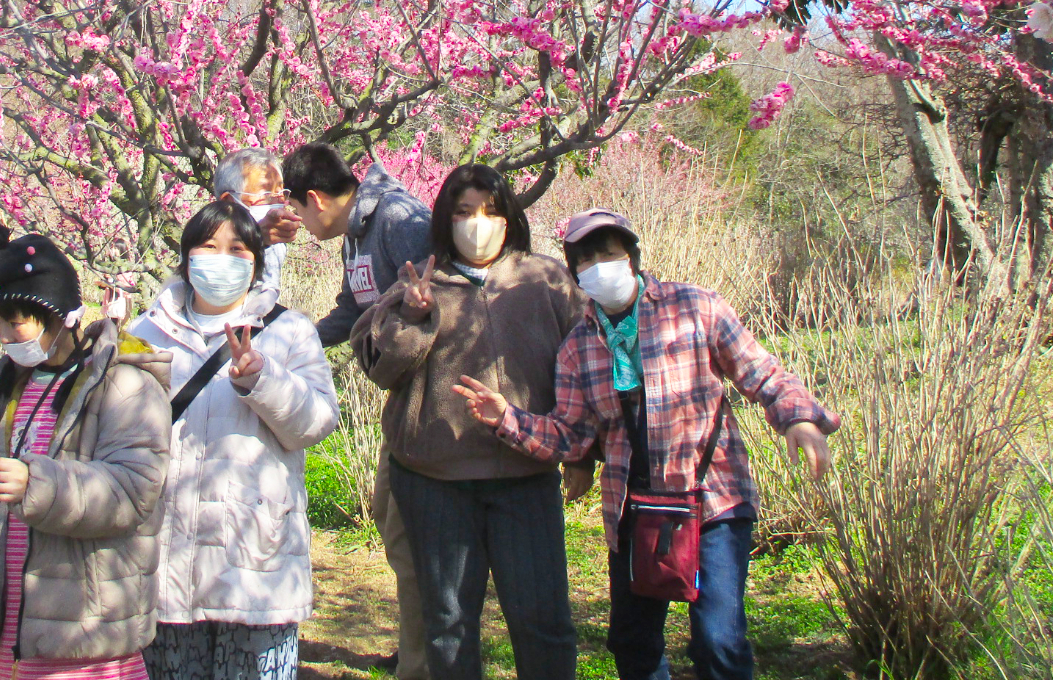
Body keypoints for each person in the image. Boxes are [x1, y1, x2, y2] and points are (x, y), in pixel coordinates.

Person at [456, 208, 840, 680]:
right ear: (575, 272)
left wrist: (798, 417)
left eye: (609, 253)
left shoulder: (696, 308)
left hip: (713, 499)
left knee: (719, 642)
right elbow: (571, 434)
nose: (600, 265)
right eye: (587, 258)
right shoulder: (578, 347)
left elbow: (759, 371)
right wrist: (507, 419)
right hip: (633, 510)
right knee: (633, 643)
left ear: (633, 257)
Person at [351, 165, 586, 680]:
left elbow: (587, 371)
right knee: (448, 623)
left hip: (526, 476)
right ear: (444, 218)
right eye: (463, 212)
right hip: (436, 483)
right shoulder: (419, 281)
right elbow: (379, 368)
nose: (477, 223)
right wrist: (413, 318)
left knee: (542, 619)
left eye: (490, 211)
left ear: (509, 218)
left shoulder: (546, 279)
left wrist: (583, 456)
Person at [0, 224, 172, 680]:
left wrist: (37, 483)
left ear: (59, 312)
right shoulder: (14, 385)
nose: (5, 334)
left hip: (86, 629)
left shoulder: (124, 384)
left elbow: (133, 488)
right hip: (18, 623)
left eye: (17, 321)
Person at [129, 200, 339, 680]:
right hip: (167, 556)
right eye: (209, 246)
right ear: (186, 260)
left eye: (238, 248)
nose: (222, 258)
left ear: (257, 262)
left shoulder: (288, 331)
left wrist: (263, 380)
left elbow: (317, 423)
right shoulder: (143, 334)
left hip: (255, 556)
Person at [281, 142, 433, 679]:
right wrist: (289, 342)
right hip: (402, 402)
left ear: (315, 198)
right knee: (392, 523)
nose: (297, 220)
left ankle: (424, 662)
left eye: (296, 208)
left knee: (411, 537)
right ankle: (418, 646)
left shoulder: (396, 218)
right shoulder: (356, 234)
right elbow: (352, 309)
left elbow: (443, 299)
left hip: (431, 406)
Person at [212, 147, 299, 292]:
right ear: (229, 201)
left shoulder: (275, 239)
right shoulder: (202, 237)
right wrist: (255, 238)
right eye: (265, 192)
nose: (278, 199)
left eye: (281, 191)